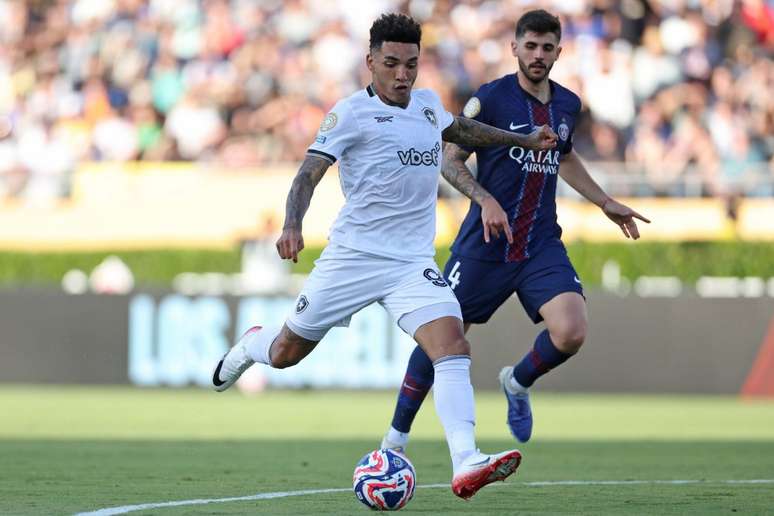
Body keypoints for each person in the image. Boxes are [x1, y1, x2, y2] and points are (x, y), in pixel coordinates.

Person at [211, 13, 558, 500]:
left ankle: (466, 462)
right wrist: (292, 223)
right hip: (352, 258)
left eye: (411, 64)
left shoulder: (427, 105)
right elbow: (307, 174)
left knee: (453, 346)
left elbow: (463, 131)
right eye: (391, 63)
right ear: (370, 61)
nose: (402, 74)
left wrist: (522, 140)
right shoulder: (349, 113)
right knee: (286, 354)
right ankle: (252, 345)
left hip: (410, 263)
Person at [380, 9, 650, 452]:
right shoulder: (491, 100)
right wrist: (485, 199)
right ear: (515, 48)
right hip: (485, 245)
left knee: (571, 332)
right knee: (441, 336)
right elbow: (450, 160)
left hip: (540, 244)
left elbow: (563, 156)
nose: (538, 55)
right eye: (530, 46)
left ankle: (518, 382)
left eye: (547, 48)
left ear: (559, 52)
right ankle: (396, 438)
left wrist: (603, 201)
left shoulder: (567, 104)